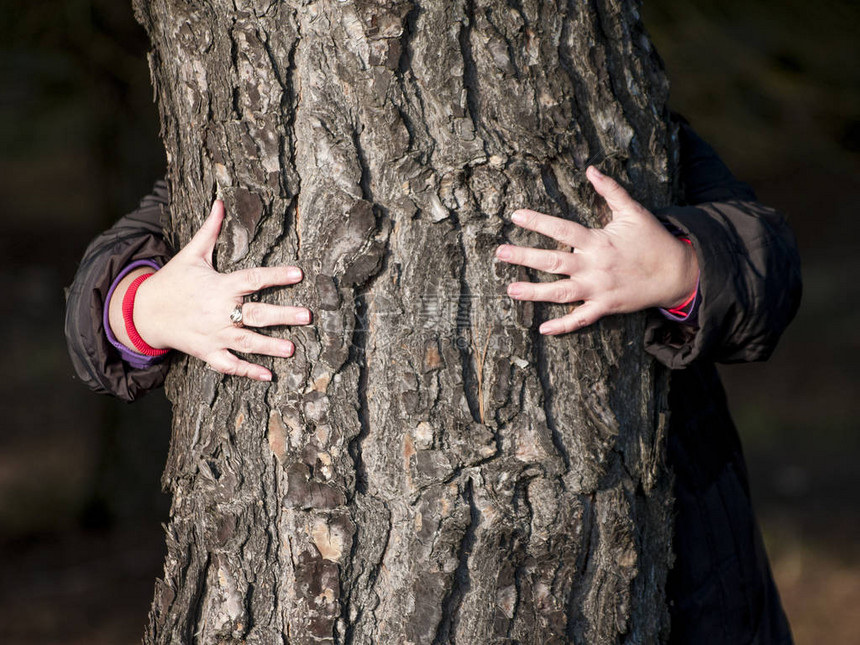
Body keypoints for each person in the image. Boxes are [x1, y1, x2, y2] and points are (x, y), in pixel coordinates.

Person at [65, 118, 800, 644]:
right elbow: (93, 307)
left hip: (685, 567)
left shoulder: (618, 114)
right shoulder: (250, 130)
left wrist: (678, 268)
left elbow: (769, 267)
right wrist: (147, 306)